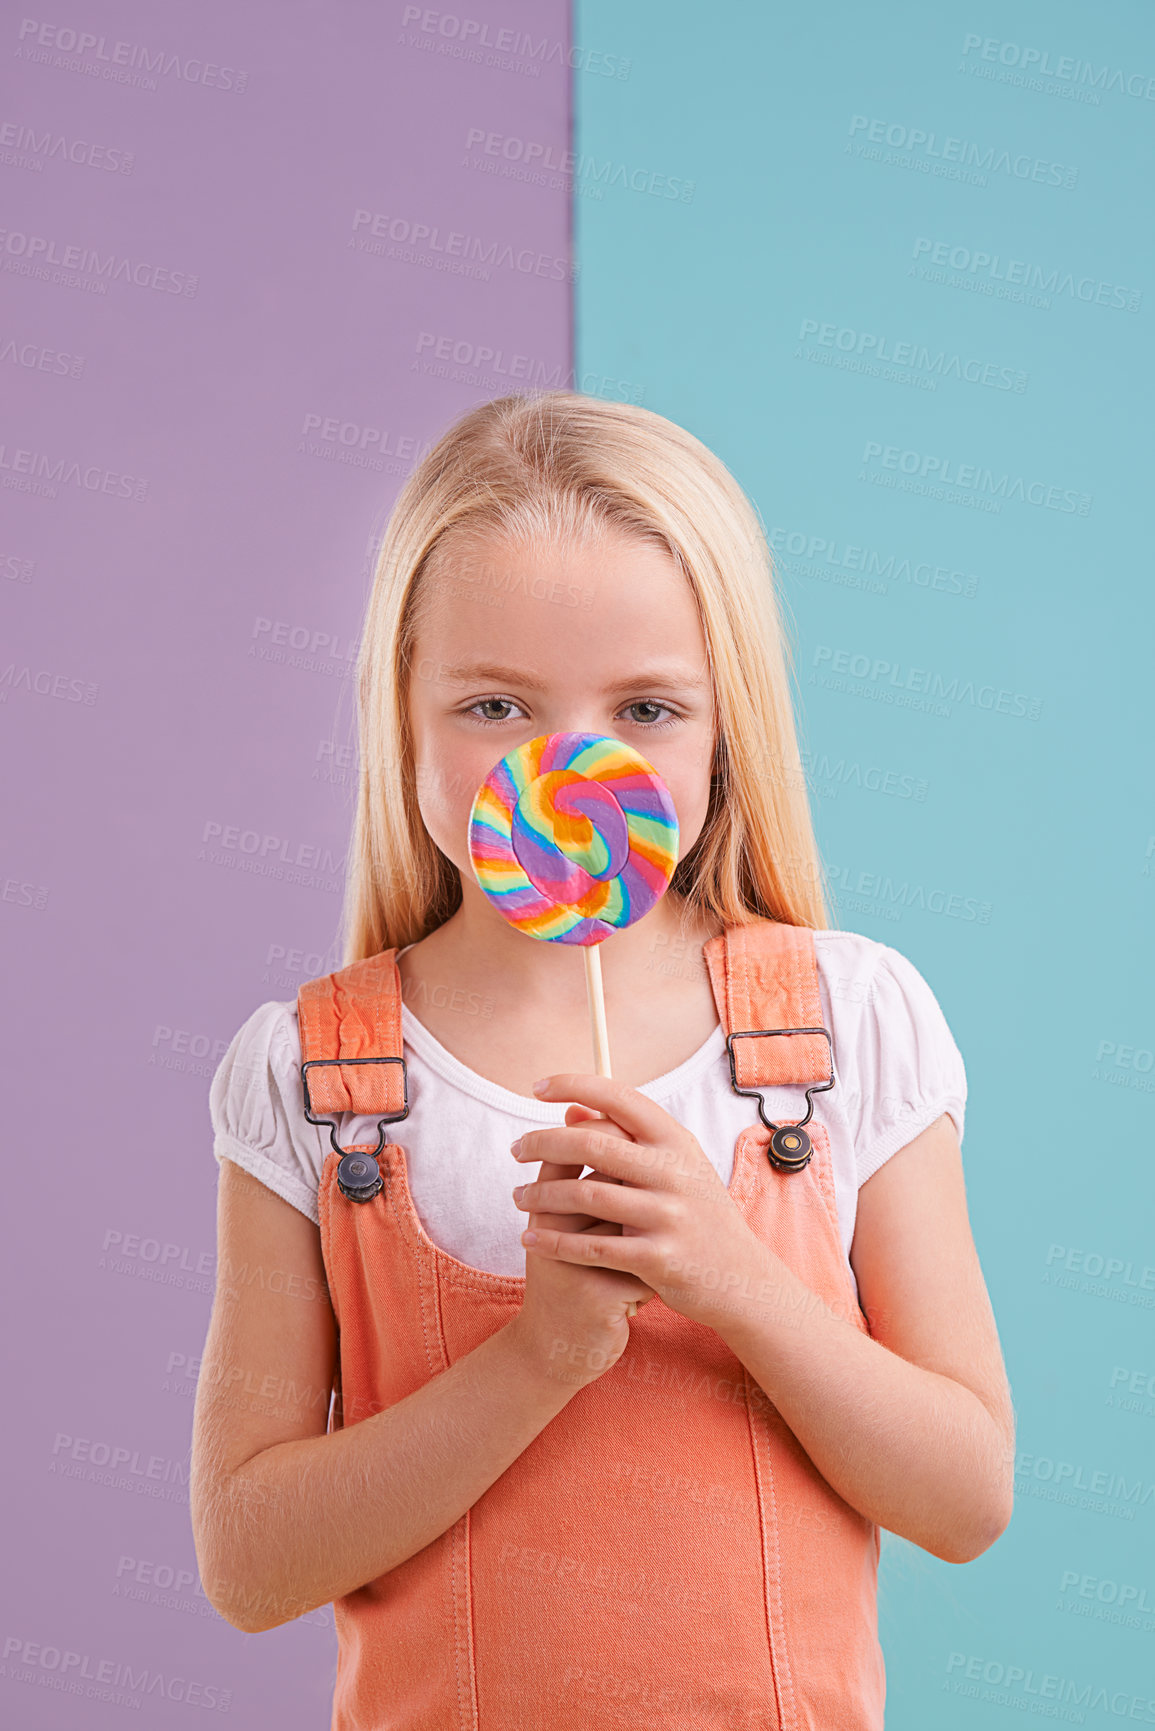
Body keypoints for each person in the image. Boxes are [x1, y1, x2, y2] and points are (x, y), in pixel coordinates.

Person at [191, 391, 1014, 1729]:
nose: (569, 764)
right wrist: (541, 1354)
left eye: (645, 706)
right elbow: (248, 1560)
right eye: (497, 705)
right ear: (400, 711)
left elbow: (965, 1495)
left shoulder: (849, 1022)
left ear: (727, 723)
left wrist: (731, 1274)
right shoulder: (308, 1073)